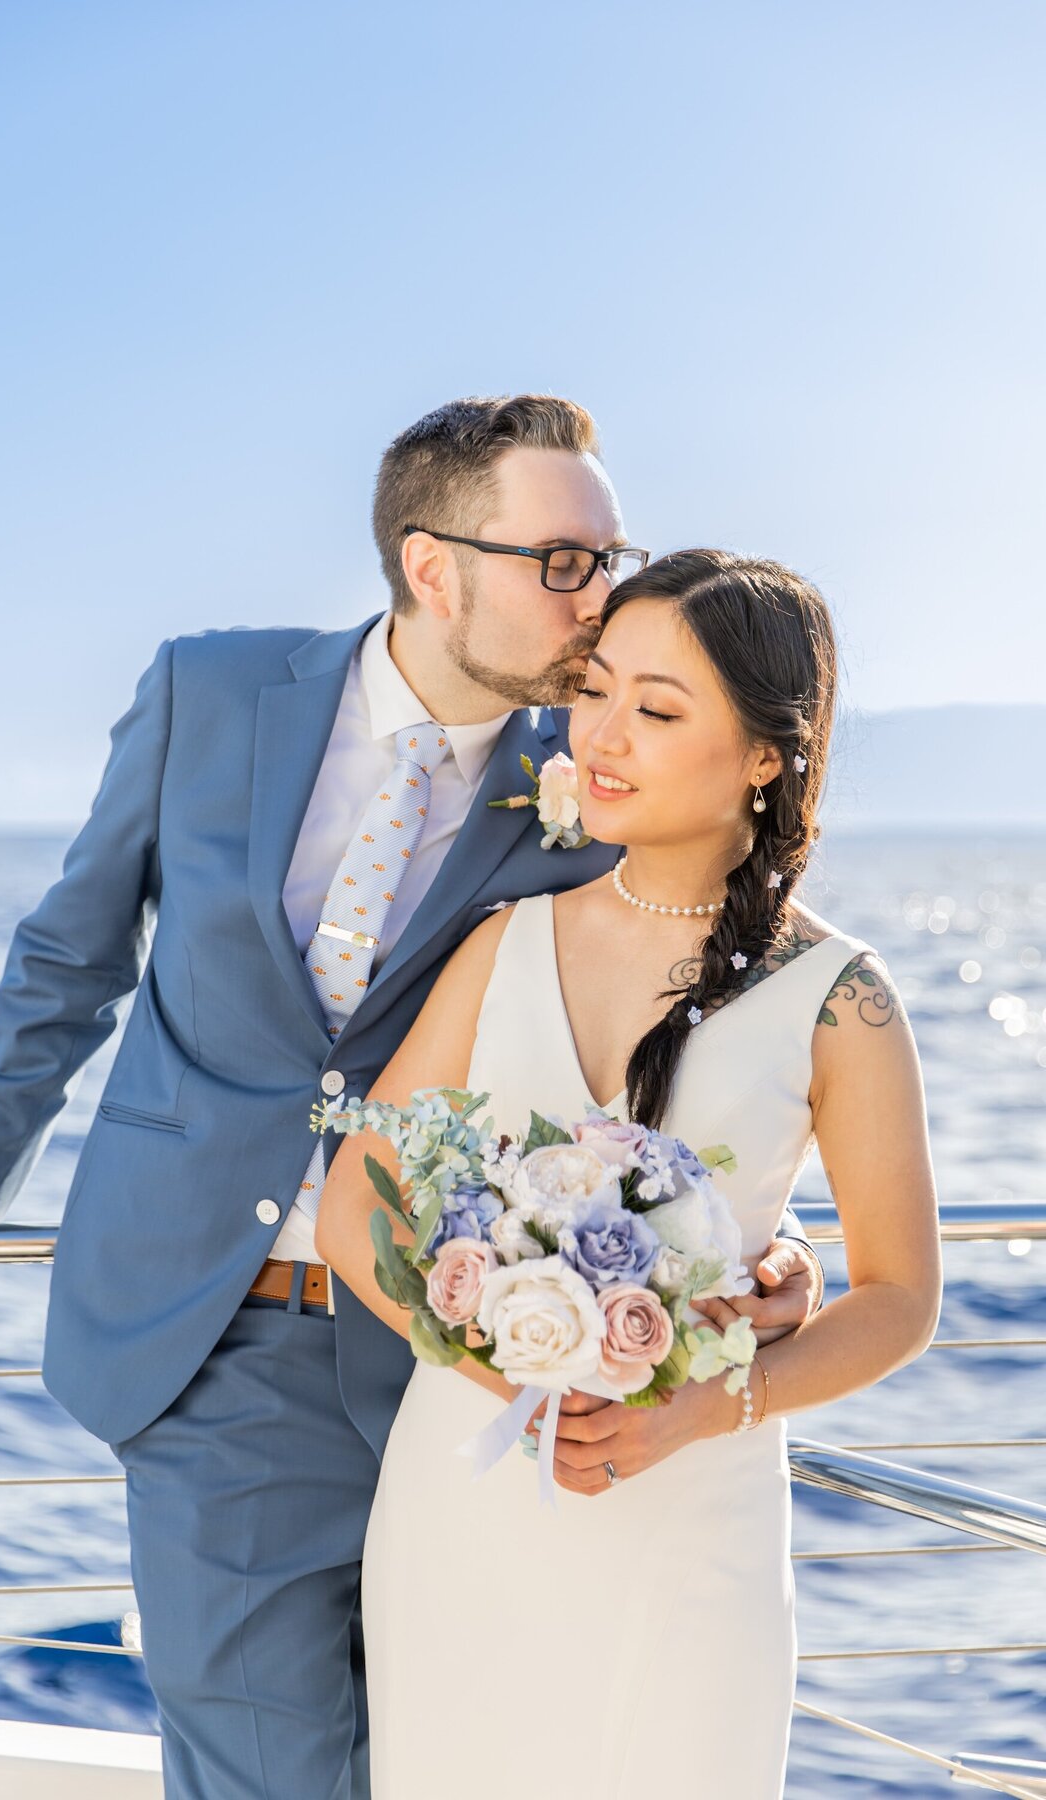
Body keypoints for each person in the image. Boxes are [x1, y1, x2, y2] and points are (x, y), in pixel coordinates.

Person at [0, 402, 826, 1799]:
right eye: (562, 558)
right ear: (436, 571)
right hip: (214, 1332)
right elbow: (74, 953)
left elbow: (687, 1002)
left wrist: (751, 1243)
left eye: (613, 554)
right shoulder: (209, 694)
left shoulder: (600, 769)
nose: (600, 595)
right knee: (275, 1764)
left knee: (443, 1757)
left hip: (461, 1360)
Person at [314, 549, 942, 1799]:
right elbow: (353, 1210)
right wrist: (508, 1356)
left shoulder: (841, 998)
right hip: (466, 1507)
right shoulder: (503, 941)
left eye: (656, 711)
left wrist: (705, 1405)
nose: (599, 736)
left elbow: (899, 1300)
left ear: (767, 755)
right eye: (593, 692)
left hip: (688, 1522)